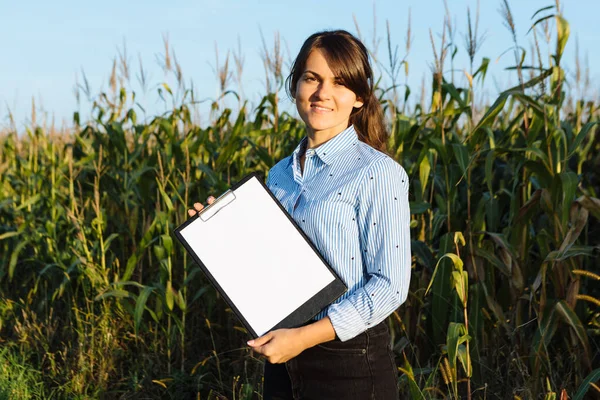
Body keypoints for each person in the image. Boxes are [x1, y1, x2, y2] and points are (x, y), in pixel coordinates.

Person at [189, 30, 411, 399]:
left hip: (349, 361)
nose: (323, 93)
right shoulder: (278, 175)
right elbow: (270, 266)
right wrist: (219, 234)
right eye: (312, 78)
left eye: (340, 83)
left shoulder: (376, 172)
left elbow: (390, 286)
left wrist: (304, 337)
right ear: (295, 86)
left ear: (359, 98)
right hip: (283, 355)